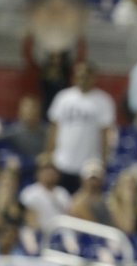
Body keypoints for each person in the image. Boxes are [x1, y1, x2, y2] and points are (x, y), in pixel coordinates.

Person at [47, 62, 115, 194]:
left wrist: (103, 160)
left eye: (86, 76)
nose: (83, 79)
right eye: (80, 76)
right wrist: (49, 154)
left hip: (89, 165)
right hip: (62, 161)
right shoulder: (63, 98)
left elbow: (105, 134)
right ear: (74, 77)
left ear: (93, 77)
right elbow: (54, 128)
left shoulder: (103, 101)